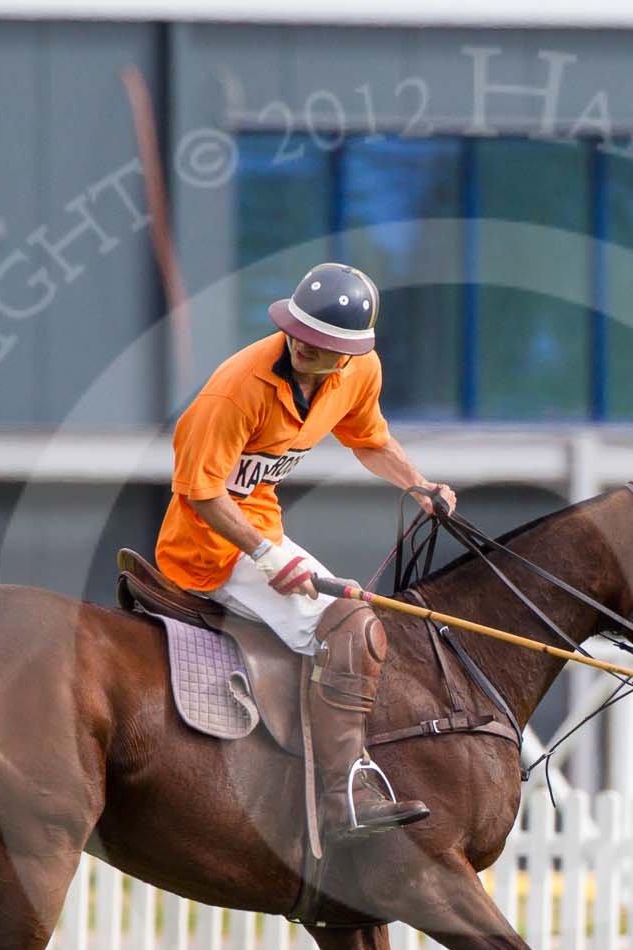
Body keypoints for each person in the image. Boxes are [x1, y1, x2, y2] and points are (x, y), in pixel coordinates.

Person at [155, 263, 453, 840]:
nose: (301, 347)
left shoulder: (360, 371)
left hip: (260, 523)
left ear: (347, 354)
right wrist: (268, 558)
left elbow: (370, 439)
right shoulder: (234, 389)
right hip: (204, 544)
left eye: (319, 346)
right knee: (349, 624)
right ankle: (343, 794)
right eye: (298, 332)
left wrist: (417, 484)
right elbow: (201, 493)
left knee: (352, 621)